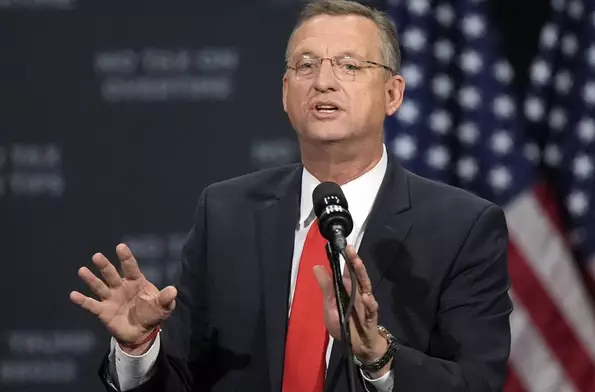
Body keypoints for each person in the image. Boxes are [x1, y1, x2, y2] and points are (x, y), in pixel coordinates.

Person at [70, 0, 513, 391]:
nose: (323, 81)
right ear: (286, 93)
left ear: (393, 94)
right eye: (305, 65)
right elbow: (183, 378)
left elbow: (478, 382)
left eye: (349, 65)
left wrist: (379, 358)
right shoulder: (226, 214)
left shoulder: (461, 228)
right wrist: (139, 348)